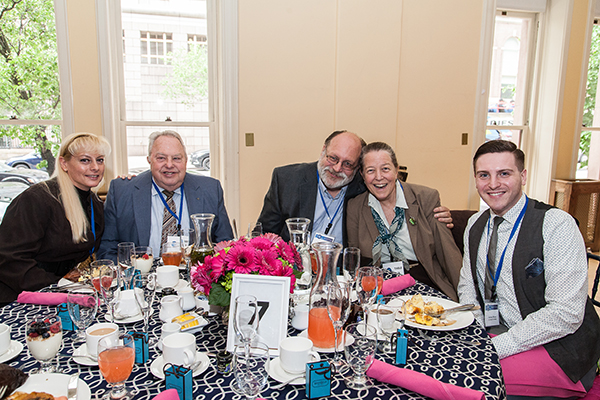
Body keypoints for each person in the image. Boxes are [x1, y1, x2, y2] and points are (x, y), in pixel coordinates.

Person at [457, 140, 600, 398]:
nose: (493, 184)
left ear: (522, 176)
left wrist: (496, 347)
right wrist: (476, 331)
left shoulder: (556, 225)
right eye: (484, 175)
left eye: (504, 173)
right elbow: (468, 286)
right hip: (498, 333)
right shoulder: (475, 224)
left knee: (469, 380)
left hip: (560, 348)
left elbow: (566, 313)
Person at [257, 130, 453, 246]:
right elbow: (263, 236)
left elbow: (391, 183)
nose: (336, 168)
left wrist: (430, 210)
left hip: (342, 273)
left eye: (347, 164)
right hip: (294, 270)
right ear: (323, 150)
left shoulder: (363, 186)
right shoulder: (286, 180)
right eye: (332, 158)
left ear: (358, 169)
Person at [0, 132, 110, 304]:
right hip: (23, 297)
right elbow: (10, 260)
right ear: (64, 163)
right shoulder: (37, 199)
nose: (95, 167)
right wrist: (58, 285)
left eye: (100, 160)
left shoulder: (95, 203)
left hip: (67, 294)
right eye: (85, 160)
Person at [346, 142, 463, 301]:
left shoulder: (425, 198)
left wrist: (467, 298)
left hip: (422, 279)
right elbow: (355, 258)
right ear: (362, 175)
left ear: (396, 170)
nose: (379, 177)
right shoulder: (355, 207)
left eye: (385, 168)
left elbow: (447, 252)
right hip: (380, 284)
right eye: (370, 171)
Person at [98, 130, 233, 262]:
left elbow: (226, 246)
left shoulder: (210, 189)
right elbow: (107, 250)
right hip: (142, 278)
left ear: (185, 161)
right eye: (161, 158)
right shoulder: (123, 191)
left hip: (195, 278)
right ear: (149, 160)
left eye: (176, 158)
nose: (169, 165)